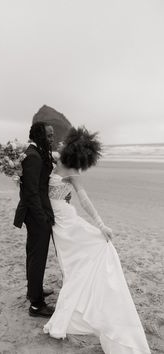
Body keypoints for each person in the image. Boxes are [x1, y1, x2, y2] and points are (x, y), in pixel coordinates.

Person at [43, 127, 151, 354]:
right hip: (59, 224)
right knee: (72, 264)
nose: (61, 145)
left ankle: (83, 302)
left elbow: (84, 199)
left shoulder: (71, 172)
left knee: (96, 249)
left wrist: (101, 225)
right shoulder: (52, 160)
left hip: (67, 221)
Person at [14, 121, 55, 318]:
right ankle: (37, 305)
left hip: (37, 213)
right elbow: (31, 192)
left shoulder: (35, 153)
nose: (52, 139)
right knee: (37, 258)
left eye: (52, 135)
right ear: (39, 135)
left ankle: (34, 290)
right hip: (36, 215)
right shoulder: (33, 156)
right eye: (48, 135)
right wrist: (42, 218)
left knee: (34, 255)